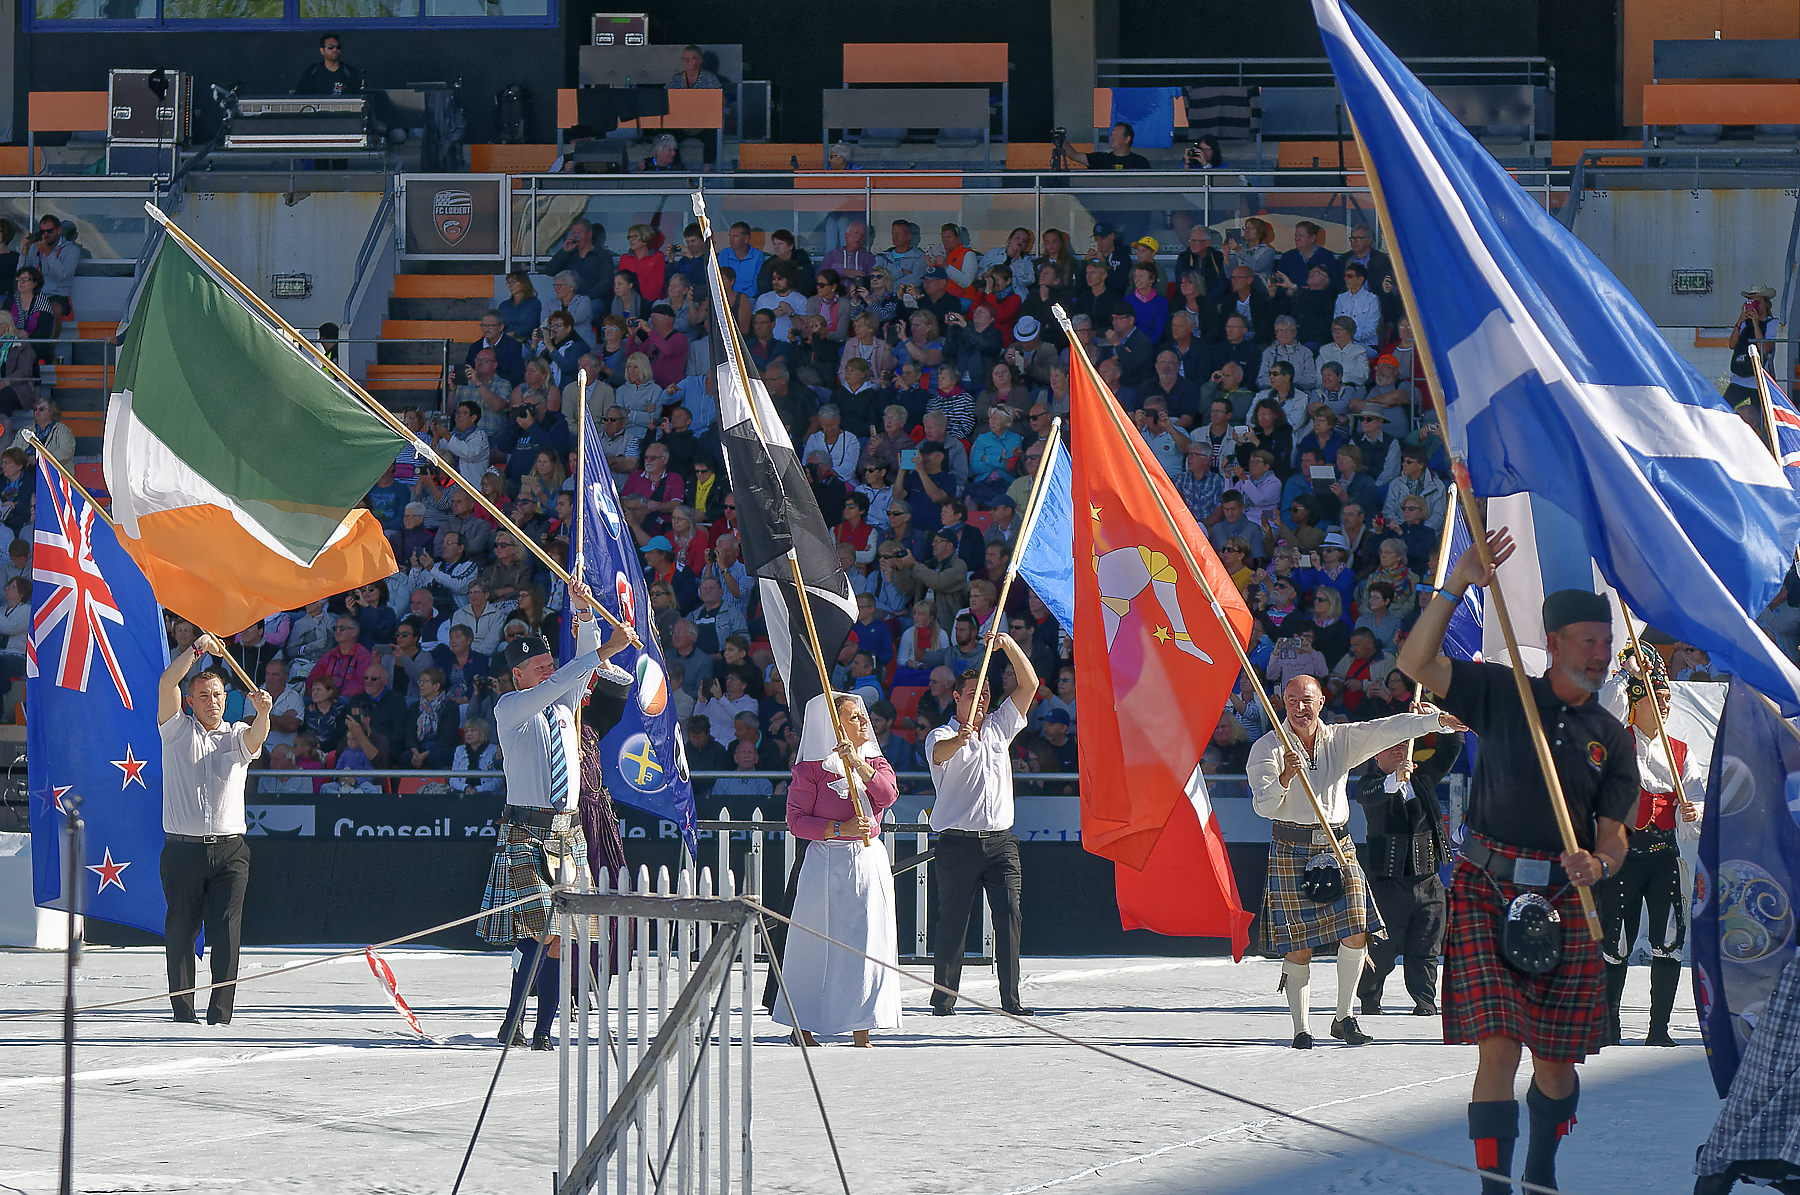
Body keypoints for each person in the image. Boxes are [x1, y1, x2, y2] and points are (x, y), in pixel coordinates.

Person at [1398, 533, 1637, 1195]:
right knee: (1499, 1044)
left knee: (1556, 1068)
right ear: (1554, 641)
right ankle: (1495, 1186)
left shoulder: (1613, 739)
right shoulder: (1503, 693)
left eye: (1605, 640)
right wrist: (1459, 584)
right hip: (1485, 886)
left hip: (1566, 898)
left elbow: (1614, 838)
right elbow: (1415, 660)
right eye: (1587, 639)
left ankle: (1541, 1166)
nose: (1599, 652)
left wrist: (1601, 862)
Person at [1249, 675, 1459, 1050]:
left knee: (1357, 931)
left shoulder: (1341, 740)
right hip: (1291, 847)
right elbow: (1264, 807)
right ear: (1282, 702)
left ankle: (1344, 1018)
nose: (1300, 707)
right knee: (1299, 945)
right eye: (1293, 700)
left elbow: (1387, 728)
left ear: (1321, 701)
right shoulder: (1268, 748)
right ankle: (1301, 1028)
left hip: (1337, 844)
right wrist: (1284, 775)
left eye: (1307, 700)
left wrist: (1437, 722)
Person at [476, 582, 635, 1050]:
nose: (551, 674)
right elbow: (569, 678)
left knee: (565, 936)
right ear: (520, 676)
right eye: (541, 669)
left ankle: (543, 1030)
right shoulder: (512, 709)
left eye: (551, 665)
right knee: (535, 934)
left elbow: (576, 677)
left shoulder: (565, 706)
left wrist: (585, 615)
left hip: (569, 834)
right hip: (527, 830)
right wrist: (605, 648)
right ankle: (513, 1023)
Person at [771, 691, 901, 1047]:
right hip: (826, 861)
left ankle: (863, 1026)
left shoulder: (874, 761)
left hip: (867, 858)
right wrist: (838, 829)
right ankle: (806, 1026)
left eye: (863, 716)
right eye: (854, 717)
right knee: (815, 941)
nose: (863, 722)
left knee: (867, 939)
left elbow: (887, 796)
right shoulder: (810, 769)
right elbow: (796, 821)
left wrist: (858, 764)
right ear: (833, 726)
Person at [156, 635, 273, 1024]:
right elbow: (165, 684)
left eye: (219, 694)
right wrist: (197, 650)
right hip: (183, 850)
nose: (213, 701)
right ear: (191, 701)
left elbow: (257, 738)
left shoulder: (237, 734)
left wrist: (263, 714)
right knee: (181, 931)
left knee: (226, 933)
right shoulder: (175, 731)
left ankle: (221, 1015)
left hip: (230, 852)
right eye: (204, 695)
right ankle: (183, 1012)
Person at [926, 631, 1040, 1016]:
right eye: (973, 691)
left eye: (986, 691)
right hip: (957, 843)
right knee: (953, 921)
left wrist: (1008, 647)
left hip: (1000, 842)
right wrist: (960, 740)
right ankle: (943, 1000)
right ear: (957, 697)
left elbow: (1030, 684)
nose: (982, 697)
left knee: (1010, 915)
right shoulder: (941, 734)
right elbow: (940, 753)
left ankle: (1012, 999)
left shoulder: (999, 726)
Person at [1597, 646, 1703, 1047]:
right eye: (1658, 700)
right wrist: (1627, 674)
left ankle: (1659, 1029)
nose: (1666, 706)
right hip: (1623, 855)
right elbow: (1603, 709)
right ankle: (1610, 1026)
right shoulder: (1615, 741)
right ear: (1637, 704)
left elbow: (1695, 794)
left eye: (1669, 700)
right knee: (1617, 942)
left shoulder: (1681, 751)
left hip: (1663, 855)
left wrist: (1694, 811)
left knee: (1670, 939)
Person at [1354, 724, 1464, 1017]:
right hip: (1389, 882)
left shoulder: (1423, 778)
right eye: (1391, 746)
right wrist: (1393, 780)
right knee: (1384, 947)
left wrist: (1438, 722)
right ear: (1376, 754)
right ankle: (1369, 995)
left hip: (1428, 878)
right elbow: (1370, 796)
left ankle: (1425, 1000)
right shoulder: (1369, 782)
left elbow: (1450, 749)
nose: (1399, 749)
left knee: (1426, 945)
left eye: (1403, 743)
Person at [294, 31, 363, 96]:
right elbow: (299, 96)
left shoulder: (349, 72)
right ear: (322, 51)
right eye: (331, 47)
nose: (335, 50)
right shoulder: (312, 72)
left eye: (338, 47)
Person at [1085, 121, 1151, 171]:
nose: (1112, 138)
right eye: (1111, 135)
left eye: (1116, 135)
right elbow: (1076, 156)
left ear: (1127, 139)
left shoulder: (1140, 162)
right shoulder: (1101, 159)